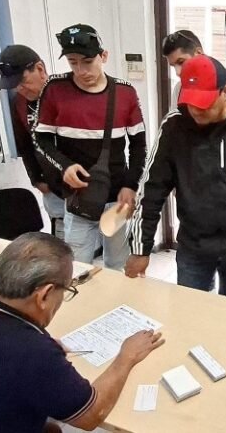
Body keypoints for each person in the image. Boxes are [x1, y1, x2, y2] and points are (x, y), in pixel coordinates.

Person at [0, 232, 164, 433]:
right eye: (66, 290)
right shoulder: (34, 353)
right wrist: (126, 357)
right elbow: (91, 415)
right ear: (44, 295)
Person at [125, 55, 226, 300]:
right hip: (194, 245)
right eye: (191, 102)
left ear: (225, 91)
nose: (196, 111)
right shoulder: (175, 125)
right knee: (189, 309)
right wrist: (141, 249)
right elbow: (151, 189)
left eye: (204, 104)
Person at [34, 24, 147, 270]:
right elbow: (40, 140)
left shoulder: (125, 92)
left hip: (116, 198)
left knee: (117, 264)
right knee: (76, 267)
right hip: (78, 198)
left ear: (103, 56)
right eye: (73, 63)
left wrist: (131, 185)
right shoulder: (55, 89)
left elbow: (139, 146)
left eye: (87, 62)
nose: (81, 71)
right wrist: (64, 166)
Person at [0, 45, 65, 239]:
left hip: (86, 187)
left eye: (23, 81)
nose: (20, 89)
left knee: (94, 243)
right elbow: (25, 145)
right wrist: (36, 179)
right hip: (53, 187)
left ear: (40, 69)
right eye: (15, 85)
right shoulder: (19, 103)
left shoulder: (69, 95)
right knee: (62, 244)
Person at [161, 29, 226, 110]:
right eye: (173, 66)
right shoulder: (179, 90)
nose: (178, 72)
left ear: (198, 53)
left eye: (181, 62)